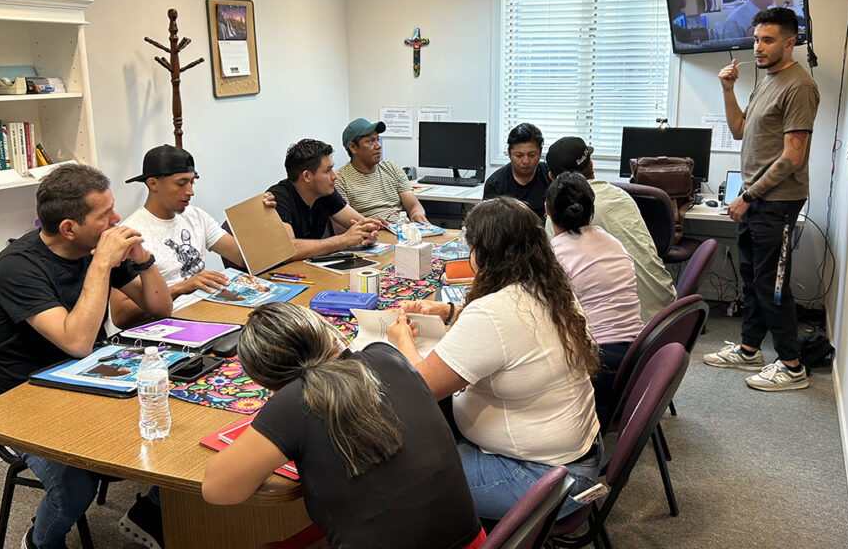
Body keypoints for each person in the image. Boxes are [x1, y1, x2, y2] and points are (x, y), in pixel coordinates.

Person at [0, 164, 172, 549]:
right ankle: (38, 543)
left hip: (87, 376)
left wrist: (143, 259)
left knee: (179, 416)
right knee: (74, 485)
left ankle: (150, 512)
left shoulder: (90, 246)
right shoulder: (18, 267)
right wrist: (102, 262)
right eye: (105, 215)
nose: (117, 220)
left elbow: (160, 308)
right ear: (70, 228)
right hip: (27, 399)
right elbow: (77, 342)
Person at [386, 196, 602, 520]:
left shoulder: (493, 313)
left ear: (484, 254)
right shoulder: (550, 288)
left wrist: (401, 338)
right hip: (574, 457)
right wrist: (451, 311)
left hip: (539, 478)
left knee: (394, 480)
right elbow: (515, 336)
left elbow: (420, 387)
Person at [201, 303, 485, 549]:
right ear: (328, 335)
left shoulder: (293, 403)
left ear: (263, 382)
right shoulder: (385, 355)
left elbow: (217, 490)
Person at [704, 7, 819, 392]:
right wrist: (726, 89)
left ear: (790, 42)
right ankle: (750, 348)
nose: (758, 47)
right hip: (756, 200)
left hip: (776, 200)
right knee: (752, 279)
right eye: (756, 39)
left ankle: (791, 366)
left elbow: (793, 156)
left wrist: (747, 196)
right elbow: (738, 130)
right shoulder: (767, 80)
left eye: (767, 40)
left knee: (772, 284)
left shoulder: (798, 86)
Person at [110, 144, 277, 328]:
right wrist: (182, 288)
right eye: (181, 183)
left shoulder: (195, 215)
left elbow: (244, 257)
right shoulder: (131, 234)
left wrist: (262, 216)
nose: (190, 191)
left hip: (209, 310)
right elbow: (120, 317)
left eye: (192, 182)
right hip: (170, 324)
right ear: (153, 183)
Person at [545, 136, 676, 325]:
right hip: (665, 310)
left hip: (631, 326)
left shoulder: (559, 216)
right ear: (591, 165)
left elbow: (553, 282)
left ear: (551, 178)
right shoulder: (621, 195)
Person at [546, 172, 644, 422]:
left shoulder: (554, 255)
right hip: (637, 359)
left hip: (595, 368)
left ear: (547, 210)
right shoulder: (614, 243)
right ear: (592, 209)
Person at [267, 138, 383, 261]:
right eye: (328, 171)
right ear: (307, 176)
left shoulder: (325, 192)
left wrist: (369, 233)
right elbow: (288, 249)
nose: (334, 176)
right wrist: (344, 239)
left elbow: (362, 224)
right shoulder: (278, 198)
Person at [334, 118, 428, 224]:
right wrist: (368, 223)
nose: (378, 146)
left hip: (400, 231)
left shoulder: (392, 169)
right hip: (370, 235)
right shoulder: (339, 179)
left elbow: (413, 205)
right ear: (353, 147)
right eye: (370, 141)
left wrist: (417, 213)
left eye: (377, 139)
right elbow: (341, 226)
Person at [482, 122, 551, 220]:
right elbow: (488, 225)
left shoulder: (550, 176)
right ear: (509, 154)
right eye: (519, 155)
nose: (526, 161)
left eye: (532, 155)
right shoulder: (495, 184)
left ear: (540, 153)